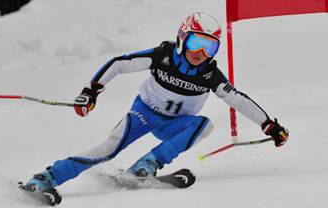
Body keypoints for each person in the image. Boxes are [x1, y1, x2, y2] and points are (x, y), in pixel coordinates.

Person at [24, 12, 289, 191]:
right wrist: (91, 91)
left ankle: (148, 163)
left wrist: (268, 125)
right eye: (196, 42)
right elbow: (119, 64)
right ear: (182, 38)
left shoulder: (210, 74)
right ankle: (48, 177)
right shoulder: (163, 55)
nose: (200, 52)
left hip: (175, 125)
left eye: (209, 47)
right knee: (108, 149)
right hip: (143, 114)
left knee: (203, 125)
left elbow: (238, 99)